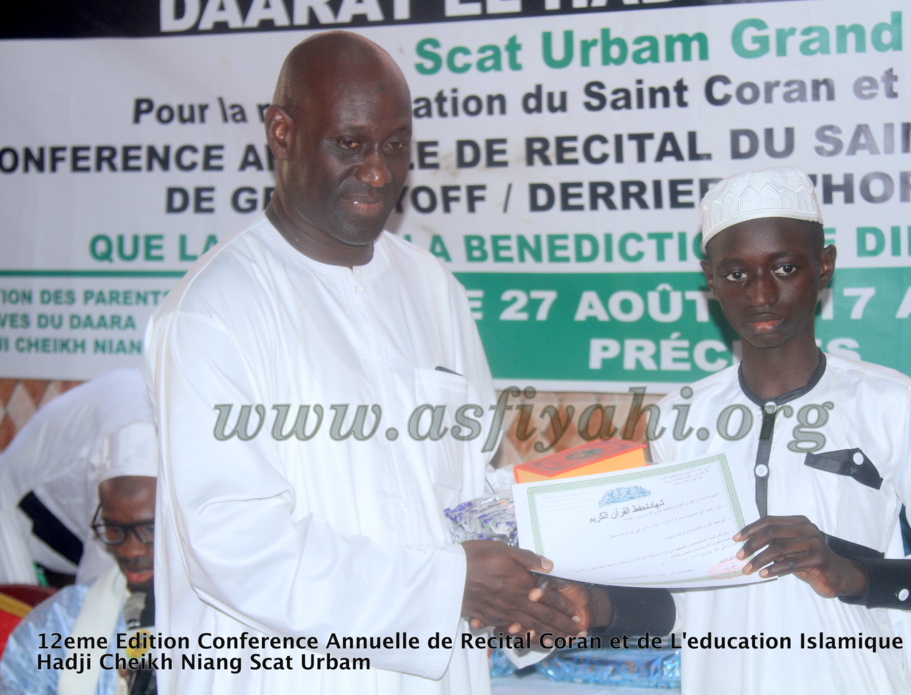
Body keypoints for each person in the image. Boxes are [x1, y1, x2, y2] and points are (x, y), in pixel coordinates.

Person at [143, 31, 582, 695]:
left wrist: (530, 582)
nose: (379, 171)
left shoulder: (436, 289)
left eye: (396, 145)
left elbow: (474, 488)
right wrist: (452, 584)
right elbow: (238, 550)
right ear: (282, 133)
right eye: (350, 144)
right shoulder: (212, 311)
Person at [573, 167, 911, 693]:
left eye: (785, 267)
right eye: (737, 274)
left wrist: (845, 570)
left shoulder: (889, 402)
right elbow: (680, 600)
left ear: (824, 265)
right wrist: (594, 606)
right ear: (710, 280)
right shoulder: (680, 415)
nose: (761, 293)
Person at [0, 422, 159, 695]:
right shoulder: (58, 623)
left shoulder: (229, 620)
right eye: (115, 529)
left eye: (150, 529)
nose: (130, 551)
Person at [0, 369, 155, 587]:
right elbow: (94, 594)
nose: (132, 550)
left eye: (151, 528)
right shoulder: (110, 469)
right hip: (13, 510)